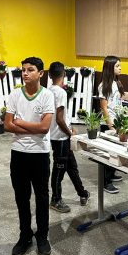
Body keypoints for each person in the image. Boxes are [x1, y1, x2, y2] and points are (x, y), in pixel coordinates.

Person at [4, 57, 55, 255]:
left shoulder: (47, 95)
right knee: (21, 197)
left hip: (40, 153)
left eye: (30, 70)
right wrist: (32, 127)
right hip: (18, 153)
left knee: (42, 197)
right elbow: (7, 125)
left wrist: (20, 122)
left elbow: (44, 128)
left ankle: (42, 236)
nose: (25, 73)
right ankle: (25, 235)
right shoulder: (15, 94)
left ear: (40, 73)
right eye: (23, 70)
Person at [48, 61, 90, 213]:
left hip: (56, 135)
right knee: (59, 169)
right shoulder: (60, 92)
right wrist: (69, 132)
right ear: (64, 74)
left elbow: (59, 118)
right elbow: (59, 119)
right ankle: (55, 199)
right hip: (60, 137)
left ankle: (82, 193)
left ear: (49, 75)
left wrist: (68, 127)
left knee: (72, 166)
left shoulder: (48, 91)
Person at [98, 55, 125, 193]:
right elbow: (104, 107)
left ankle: (112, 174)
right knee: (108, 153)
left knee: (116, 151)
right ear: (110, 67)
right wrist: (110, 126)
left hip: (117, 122)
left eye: (120, 65)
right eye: (117, 66)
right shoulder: (104, 85)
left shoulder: (116, 83)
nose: (120, 68)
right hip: (109, 124)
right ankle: (105, 182)